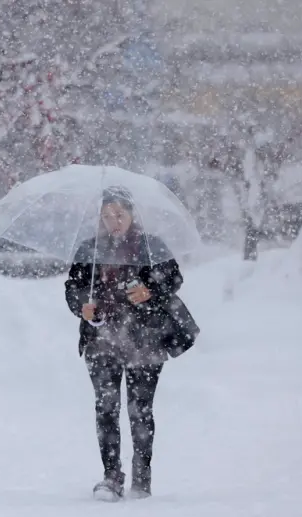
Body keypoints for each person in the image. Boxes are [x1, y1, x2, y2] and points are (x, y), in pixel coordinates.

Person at [64, 187, 199, 502]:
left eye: (119, 214)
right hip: (100, 341)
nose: (114, 221)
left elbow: (174, 279)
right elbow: (73, 286)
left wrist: (149, 290)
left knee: (140, 411)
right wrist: (82, 304)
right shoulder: (89, 249)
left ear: (132, 214)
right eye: (107, 215)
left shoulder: (151, 246)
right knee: (106, 409)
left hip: (144, 340)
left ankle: (142, 479)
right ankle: (111, 477)